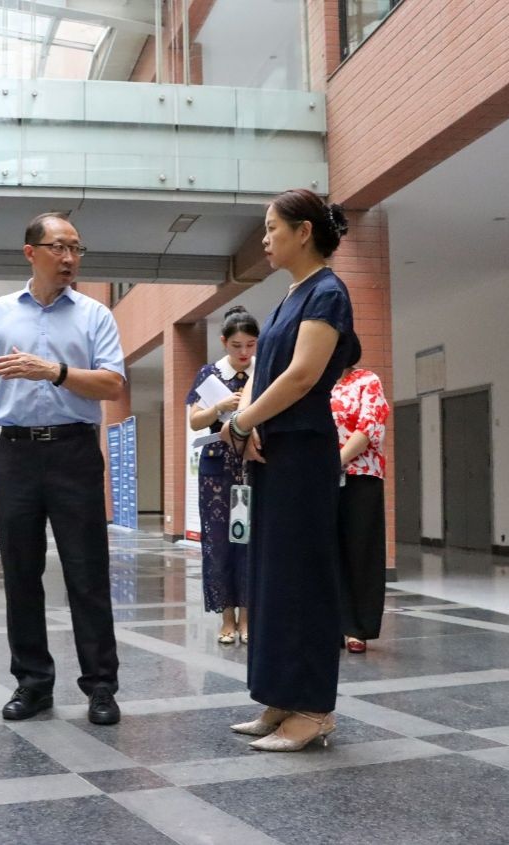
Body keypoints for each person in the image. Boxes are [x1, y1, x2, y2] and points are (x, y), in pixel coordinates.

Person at [0, 212, 127, 726]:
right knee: (20, 573)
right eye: (59, 247)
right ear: (31, 252)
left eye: (76, 248)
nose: (70, 258)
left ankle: (101, 686)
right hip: (15, 454)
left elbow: (111, 383)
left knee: (87, 573)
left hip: (75, 451)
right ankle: (33, 684)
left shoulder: (96, 315)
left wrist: (52, 371)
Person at [226, 188, 354, 752]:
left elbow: (302, 376)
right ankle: (281, 696)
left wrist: (241, 421)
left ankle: (313, 709)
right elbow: (262, 369)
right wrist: (249, 423)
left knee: (303, 578)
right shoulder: (289, 296)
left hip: (303, 452)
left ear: (304, 232)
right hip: (273, 449)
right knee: (273, 578)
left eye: (272, 228)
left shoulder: (327, 292)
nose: (264, 239)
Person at [186, 306, 258, 645]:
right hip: (216, 468)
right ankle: (227, 618)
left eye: (250, 345)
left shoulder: (264, 370)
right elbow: (195, 421)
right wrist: (219, 407)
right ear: (224, 342)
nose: (244, 353)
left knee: (251, 541)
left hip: (254, 464)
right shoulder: (210, 373)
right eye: (236, 346)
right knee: (218, 542)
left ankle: (248, 618)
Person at [331, 335, 390, 654]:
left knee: (360, 551)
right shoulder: (316, 384)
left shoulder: (367, 380)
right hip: (320, 480)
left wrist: (335, 461)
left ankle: (357, 628)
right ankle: (331, 624)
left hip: (360, 476)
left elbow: (369, 427)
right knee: (327, 552)